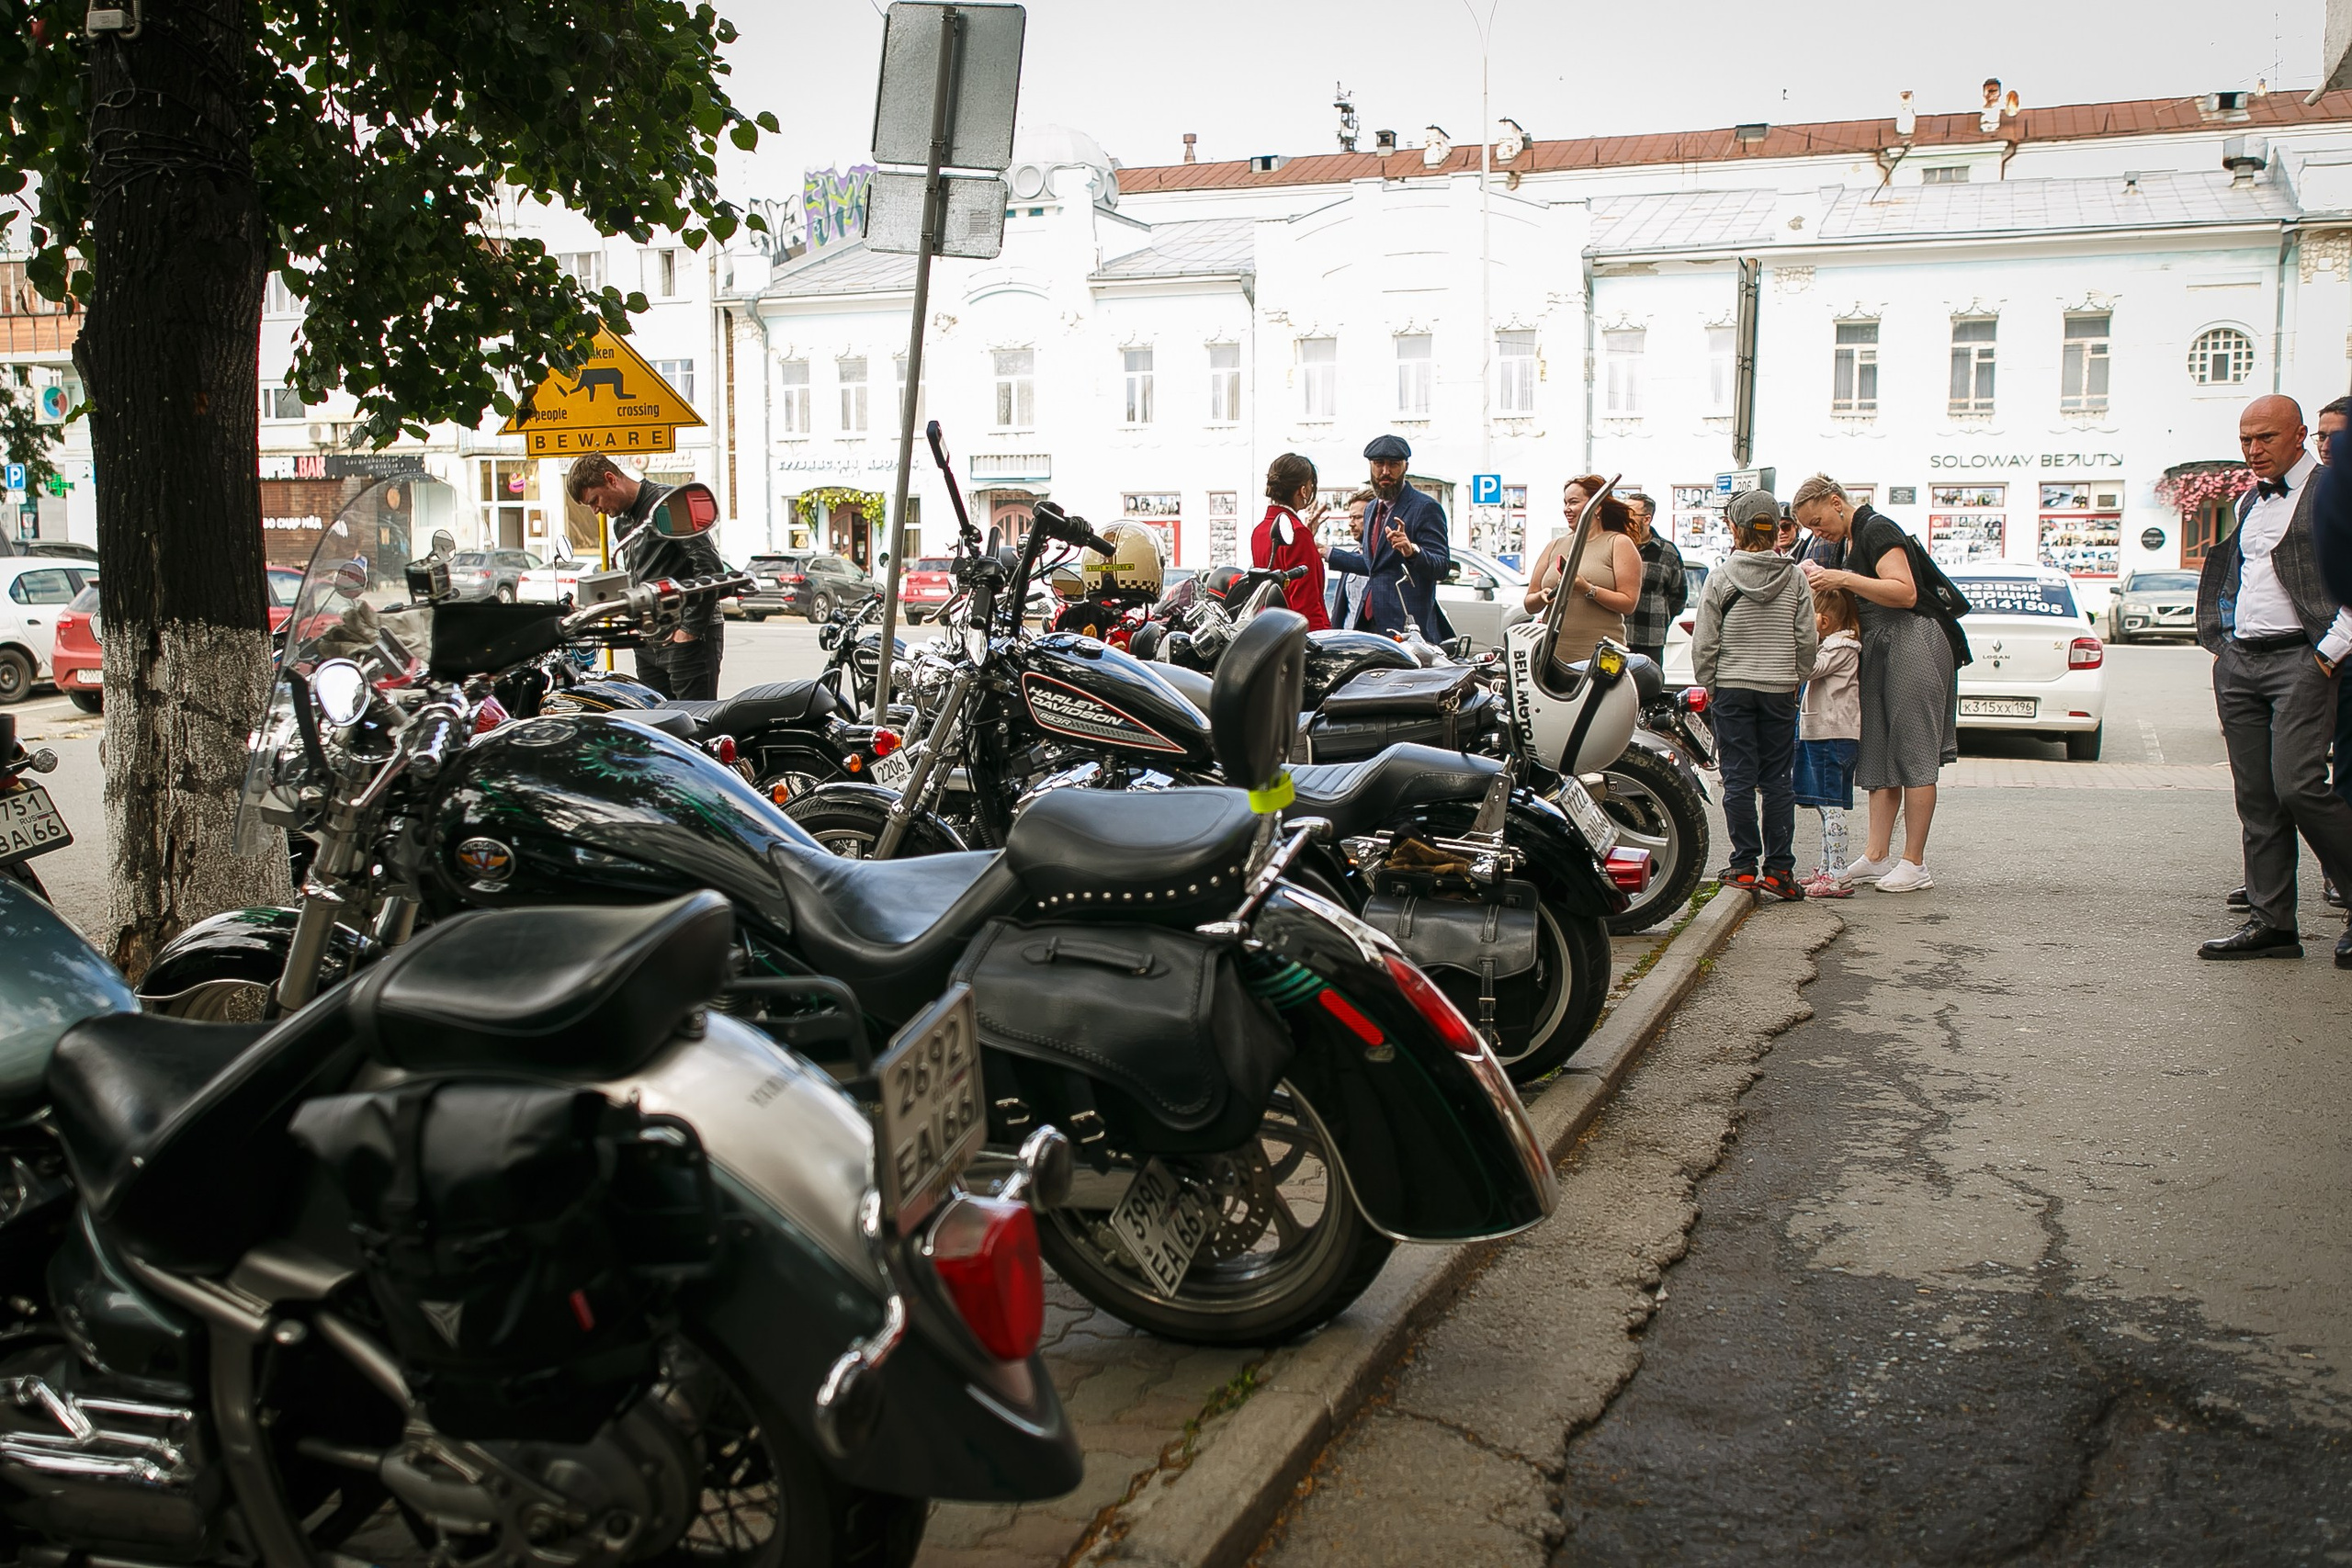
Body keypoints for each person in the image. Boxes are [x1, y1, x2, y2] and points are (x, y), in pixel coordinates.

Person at [2191, 393, 2352, 967]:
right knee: (2257, 799)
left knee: (2299, 787)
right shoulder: (2247, 502)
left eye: (2267, 438)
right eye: (2245, 441)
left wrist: (2328, 652)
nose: (2254, 451)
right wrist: (2223, 644)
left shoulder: (2333, 493)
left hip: (2303, 659)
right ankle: (2273, 923)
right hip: (2242, 660)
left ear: (2302, 434)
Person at [1791, 472, 1955, 894]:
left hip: (1913, 639)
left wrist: (1841, 579)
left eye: (1817, 521)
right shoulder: (1847, 539)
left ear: (1835, 501)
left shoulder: (1878, 528)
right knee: (1880, 748)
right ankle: (1877, 855)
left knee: (1915, 750)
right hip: (1883, 642)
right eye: (1810, 526)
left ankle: (1914, 863)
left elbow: (1904, 592)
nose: (1816, 531)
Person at [1690, 489, 1817, 902]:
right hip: (1780, 689)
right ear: (1776, 528)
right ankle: (1780, 870)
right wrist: (1795, 678)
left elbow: (1705, 642)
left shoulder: (1722, 576)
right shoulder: (1795, 576)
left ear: (1735, 528)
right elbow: (1806, 639)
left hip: (1732, 687)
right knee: (1779, 781)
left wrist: (1710, 685)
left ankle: (1744, 866)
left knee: (1739, 777)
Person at [566, 453, 726, 700]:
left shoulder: (669, 504)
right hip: (649, 641)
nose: (595, 510)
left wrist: (689, 630)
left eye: (594, 500)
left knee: (696, 724)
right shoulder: (621, 524)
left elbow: (710, 568)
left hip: (687, 638)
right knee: (656, 724)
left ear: (611, 479)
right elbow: (638, 578)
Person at [1325, 435, 1453, 638]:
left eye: (1393, 464)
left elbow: (1442, 567)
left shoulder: (1425, 508)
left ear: (1405, 467)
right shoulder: (1371, 509)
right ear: (1370, 466)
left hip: (1407, 628)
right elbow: (1374, 566)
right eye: (1379, 464)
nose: (1385, 471)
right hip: (1369, 625)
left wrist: (1412, 551)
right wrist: (1328, 552)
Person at [1524, 475, 1643, 671]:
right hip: (1551, 655)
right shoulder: (1555, 545)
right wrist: (1541, 596)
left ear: (1596, 507)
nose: (1566, 509)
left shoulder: (1618, 543)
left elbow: (1628, 603)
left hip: (1598, 658)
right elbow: (1529, 603)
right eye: (1565, 503)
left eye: (1573, 502)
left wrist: (1587, 588)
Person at [1794, 586, 1863, 897]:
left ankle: (1838, 874)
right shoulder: (1837, 646)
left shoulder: (1839, 647)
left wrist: (1803, 638)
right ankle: (1826, 869)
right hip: (1828, 733)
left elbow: (1808, 669)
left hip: (1830, 734)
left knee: (1831, 807)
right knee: (1825, 806)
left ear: (1822, 621)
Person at [1252, 453, 1331, 630]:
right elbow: (1306, 602)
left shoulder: (1260, 530)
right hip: (1298, 635)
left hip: (1272, 629)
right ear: (1303, 490)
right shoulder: (1298, 532)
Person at [1623, 491, 1688, 668]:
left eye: (1630, 513)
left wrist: (1660, 617)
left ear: (1646, 519)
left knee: (1647, 689)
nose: (1625, 518)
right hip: (1617, 637)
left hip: (1650, 639)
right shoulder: (1617, 546)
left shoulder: (1667, 552)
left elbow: (1679, 597)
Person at [1323, 490, 1373, 628]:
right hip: (1348, 641)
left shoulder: (1386, 560)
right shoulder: (1350, 558)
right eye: (1350, 517)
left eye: (1357, 517)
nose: (1351, 523)